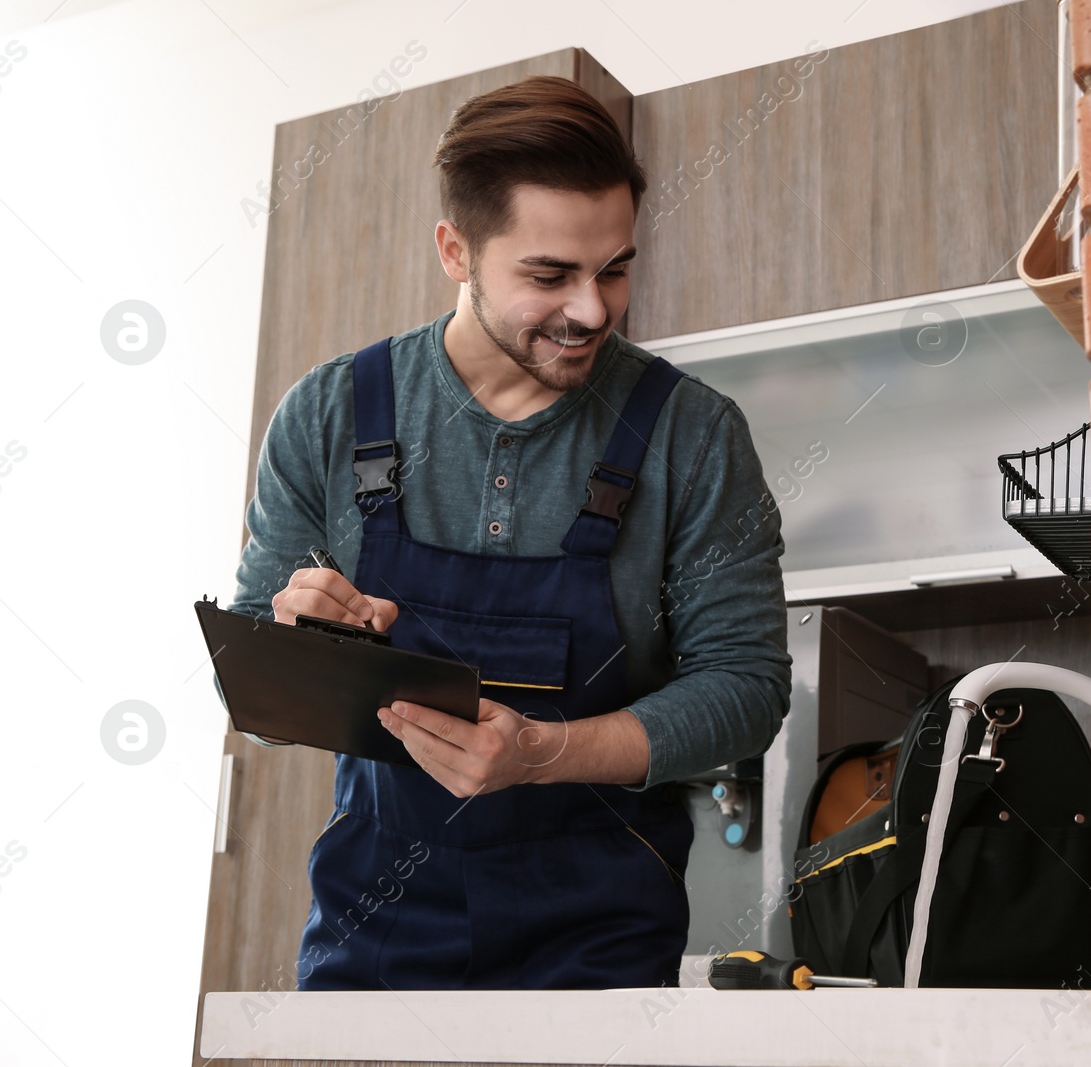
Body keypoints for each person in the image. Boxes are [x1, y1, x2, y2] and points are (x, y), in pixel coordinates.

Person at [215, 75, 791, 991]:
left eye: (615, 268)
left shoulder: (694, 434)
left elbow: (748, 689)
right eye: (549, 275)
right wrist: (297, 640)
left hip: (601, 945)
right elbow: (253, 690)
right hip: (374, 936)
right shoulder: (327, 414)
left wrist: (543, 755)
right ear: (457, 250)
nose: (594, 310)